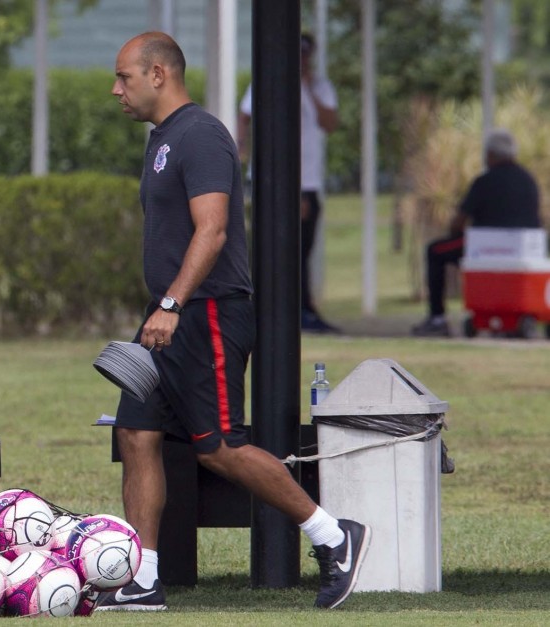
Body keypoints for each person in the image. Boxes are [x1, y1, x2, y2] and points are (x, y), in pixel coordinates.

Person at [95, 32, 369, 613]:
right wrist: (160, 308)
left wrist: (171, 305)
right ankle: (144, 578)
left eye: (125, 77)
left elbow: (213, 231)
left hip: (207, 310)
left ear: (160, 74)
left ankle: (334, 536)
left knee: (218, 447)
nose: (116, 89)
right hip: (168, 313)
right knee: (136, 434)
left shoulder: (202, 135)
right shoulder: (162, 140)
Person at [237, 33, 340, 333]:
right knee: (268, 246)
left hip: (307, 181)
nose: (302, 60)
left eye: (306, 54)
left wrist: (307, 87)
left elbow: (329, 123)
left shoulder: (320, 87)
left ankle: (302, 309)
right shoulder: (268, 83)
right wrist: (241, 145)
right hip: (273, 181)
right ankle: (266, 309)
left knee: (301, 249)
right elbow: (246, 116)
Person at [412, 128, 541, 337]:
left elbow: (459, 222)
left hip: (485, 247)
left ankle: (437, 318)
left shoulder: (485, 181)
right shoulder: (528, 181)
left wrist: (456, 232)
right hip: (525, 249)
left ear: (490, 154)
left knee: (435, 251)